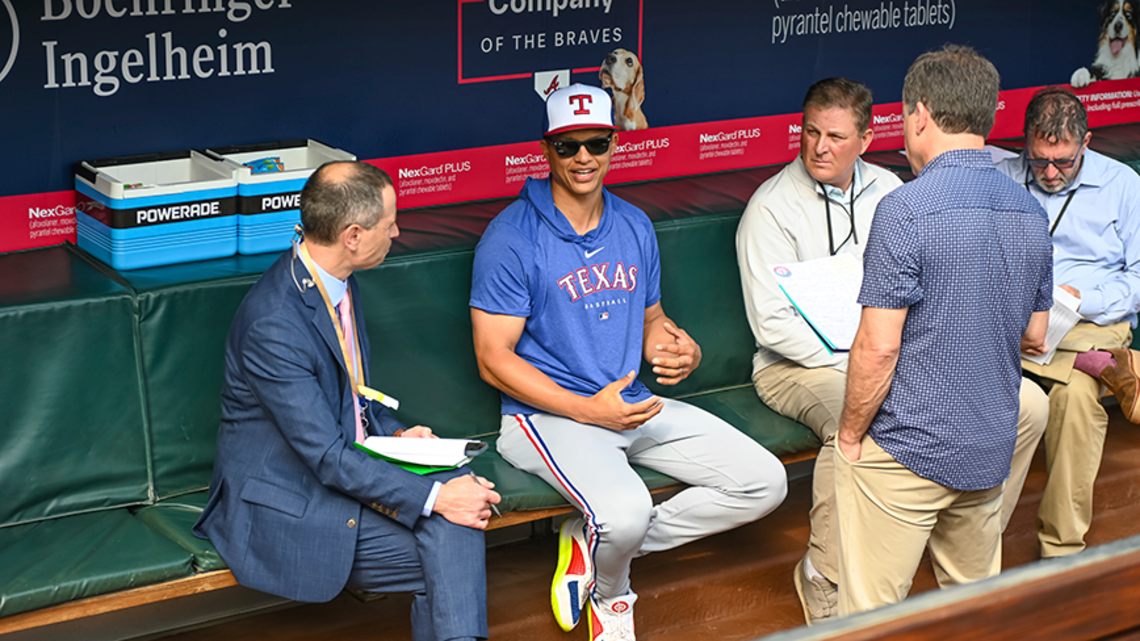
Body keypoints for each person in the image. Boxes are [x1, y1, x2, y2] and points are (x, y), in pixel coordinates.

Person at [470, 83, 787, 641]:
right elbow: (493, 361)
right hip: (545, 418)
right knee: (624, 510)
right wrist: (588, 411)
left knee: (764, 483)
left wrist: (677, 346)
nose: (583, 157)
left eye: (596, 142)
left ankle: (593, 544)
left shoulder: (634, 225)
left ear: (615, 143)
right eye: (568, 146)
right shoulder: (511, 238)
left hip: (629, 404)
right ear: (547, 150)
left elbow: (649, 320)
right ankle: (611, 597)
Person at [736, 77, 1049, 624]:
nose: (819, 146)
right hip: (799, 365)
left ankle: (955, 520)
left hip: (886, 354)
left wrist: (883, 357)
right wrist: (863, 360)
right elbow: (772, 327)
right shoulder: (771, 207)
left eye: (835, 136)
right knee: (852, 409)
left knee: (1030, 404)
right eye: (810, 132)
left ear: (867, 137)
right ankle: (824, 573)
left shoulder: (892, 191)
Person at [194, 161, 501, 641]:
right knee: (451, 530)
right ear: (353, 235)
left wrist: (397, 435)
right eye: (389, 223)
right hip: (290, 500)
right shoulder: (274, 324)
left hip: (343, 470)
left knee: (456, 516)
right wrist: (438, 496)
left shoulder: (335, 280)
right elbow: (327, 456)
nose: (397, 232)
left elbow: (352, 394)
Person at [833, 45, 1053, 615]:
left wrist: (851, 435)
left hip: (906, 449)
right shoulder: (1030, 210)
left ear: (919, 115)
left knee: (868, 618)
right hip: (989, 446)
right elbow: (1036, 333)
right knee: (973, 615)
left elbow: (878, 347)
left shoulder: (905, 208)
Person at [995, 86, 1140, 559]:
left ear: (1087, 143)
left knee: (1075, 397)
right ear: (1025, 146)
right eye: (1040, 162)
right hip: (1016, 322)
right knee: (1079, 390)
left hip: (1090, 321)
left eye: (1064, 162)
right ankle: (1103, 367)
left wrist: (1090, 297)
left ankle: (1060, 553)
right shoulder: (1002, 180)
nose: (1051, 173)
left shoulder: (1123, 186)